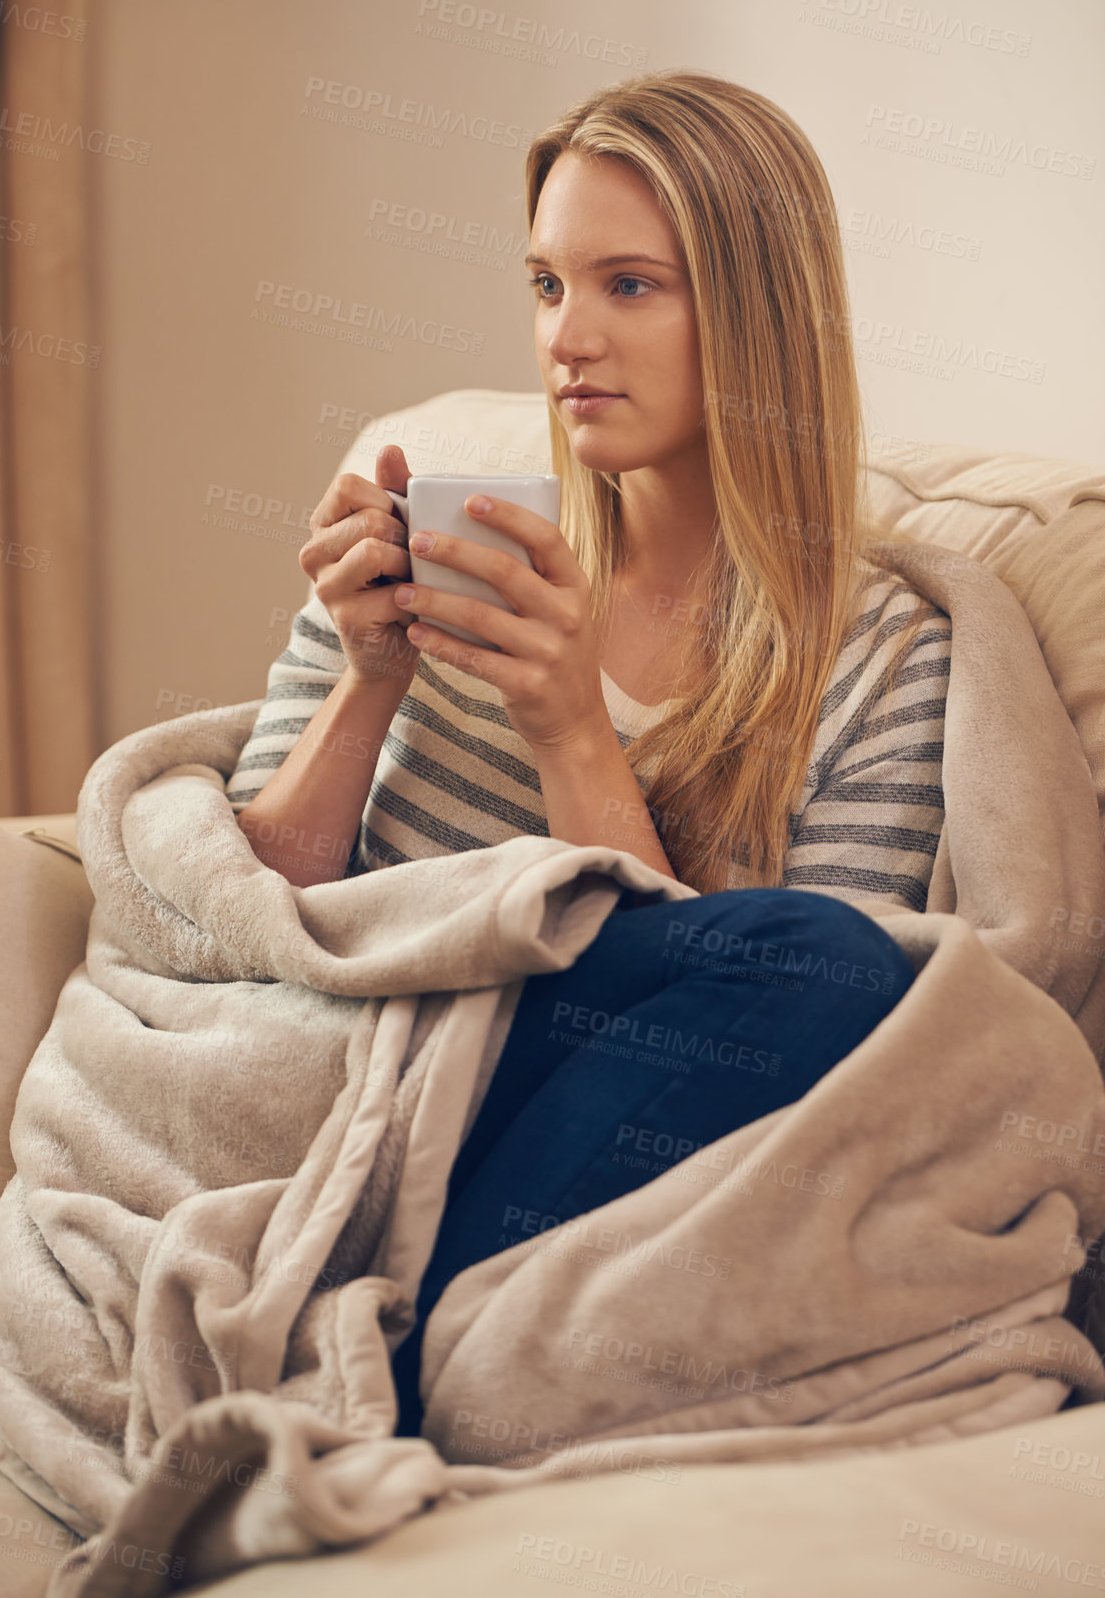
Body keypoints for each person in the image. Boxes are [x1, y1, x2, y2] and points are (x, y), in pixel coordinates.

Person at [224, 70, 950, 1436]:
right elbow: (254, 919)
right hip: (373, 1080)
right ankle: (393, 1371)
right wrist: (368, 681)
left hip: (610, 1150)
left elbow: (808, 1055)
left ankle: (390, 1366)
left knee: (832, 962)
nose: (567, 338)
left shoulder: (886, 657)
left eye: (630, 286)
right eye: (549, 285)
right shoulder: (446, 555)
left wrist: (569, 727)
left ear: (759, 312)